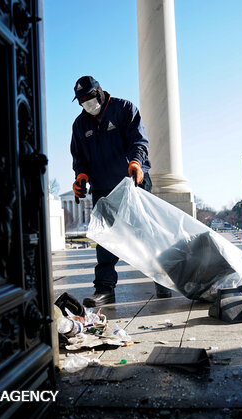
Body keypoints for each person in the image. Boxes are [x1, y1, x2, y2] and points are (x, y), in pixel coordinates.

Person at [70, 75, 172, 307]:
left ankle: (161, 279)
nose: (86, 103)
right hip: (103, 188)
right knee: (105, 239)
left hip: (132, 181)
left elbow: (139, 141)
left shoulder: (124, 108)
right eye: (81, 100)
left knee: (145, 233)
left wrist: (136, 162)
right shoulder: (80, 124)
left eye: (89, 97)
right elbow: (79, 158)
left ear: (99, 92)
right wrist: (81, 176)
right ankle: (104, 288)